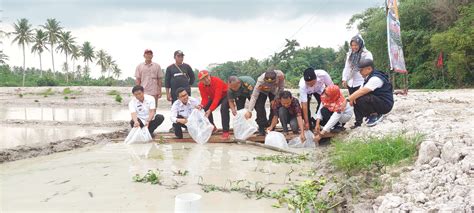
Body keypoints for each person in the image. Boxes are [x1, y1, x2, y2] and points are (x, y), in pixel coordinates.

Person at [347, 59, 394, 127]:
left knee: (360, 98)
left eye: (361, 70)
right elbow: (359, 91)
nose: (360, 72)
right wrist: (352, 98)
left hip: (385, 104)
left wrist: (348, 99)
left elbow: (363, 91)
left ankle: (375, 114)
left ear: (369, 69)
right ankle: (358, 123)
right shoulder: (368, 78)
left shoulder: (376, 78)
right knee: (356, 99)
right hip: (377, 101)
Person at [341, 35, 373, 128]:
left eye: (356, 45)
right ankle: (358, 122)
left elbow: (369, 67)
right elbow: (347, 67)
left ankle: (369, 116)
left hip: (361, 80)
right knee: (354, 102)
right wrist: (344, 78)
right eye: (352, 45)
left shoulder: (366, 54)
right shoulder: (350, 54)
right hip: (351, 82)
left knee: (361, 100)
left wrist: (367, 79)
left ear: (360, 44)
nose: (354, 47)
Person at [245, 69, 285, 135]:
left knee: (274, 106)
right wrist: (249, 110)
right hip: (263, 90)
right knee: (259, 106)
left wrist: (275, 99)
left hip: (274, 91)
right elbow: (254, 96)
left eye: (272, 83)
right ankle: (261, 125)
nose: (270, 84)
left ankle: (271, 125)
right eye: (268, 83)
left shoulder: (280, 76)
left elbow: (281, 89)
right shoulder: (260, 80)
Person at [197, 70, 231, 139]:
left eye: (207, 77)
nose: (206, 80)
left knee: (223, 108)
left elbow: (217, 98)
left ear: (210, 75)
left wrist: (210, 110)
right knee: (205, 108)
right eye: (203, 79)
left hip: (225, 95)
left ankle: (226, 131)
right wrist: (201, 105)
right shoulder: (200, 85)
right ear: (200, 81)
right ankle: (212, 127)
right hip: (213, 96)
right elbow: (205, 98)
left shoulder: (217, 81)